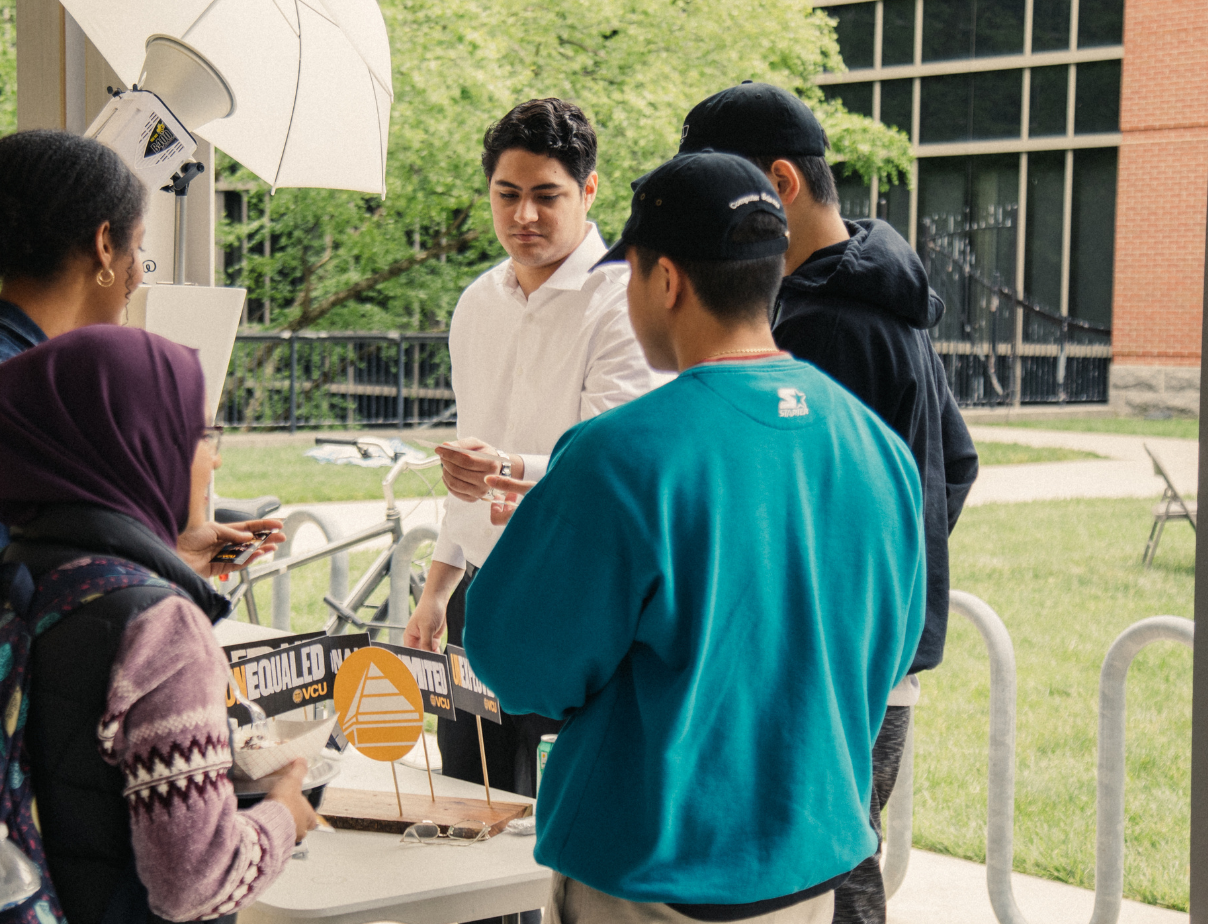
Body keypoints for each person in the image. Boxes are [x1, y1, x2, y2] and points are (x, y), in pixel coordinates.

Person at [465, 152, 925, 924]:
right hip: (809, 871)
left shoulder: (619, 454)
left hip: (649, 876)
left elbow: (518, 665)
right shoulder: (877, 447)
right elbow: (889, 646)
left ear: (666, 280)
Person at [677, 81, 980, 924]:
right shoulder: (888, 300)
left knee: (818, 881)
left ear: (779, 185)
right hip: (875, 663)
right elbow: (952, 464)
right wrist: (894, 588)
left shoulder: (821, 327)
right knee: (839, 866)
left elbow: (778, 512)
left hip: (826, 668)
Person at [0, 324, 313, 922]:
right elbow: (193, 882)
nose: (215, 455)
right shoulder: (163, 630)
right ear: (139, 444)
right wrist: (285, 811)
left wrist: (171, 561)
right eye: (199, 433)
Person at [0, 130, 282, 685]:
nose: (140, 272)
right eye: (138, 247)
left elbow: (34, 571)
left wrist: (166, 556)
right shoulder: (0, 386)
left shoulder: (22, 375)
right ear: (104, 244)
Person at [401, 98, 660, 805]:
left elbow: (616, 461)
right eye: (507, 195)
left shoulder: (625, 299)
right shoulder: (477, 301)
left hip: (589, 591)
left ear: (591, 190)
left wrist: (507, 468)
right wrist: (436, 590)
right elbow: (469, 464)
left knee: (590, 800)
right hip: (483, 587)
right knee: (470, 796)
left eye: (547, 196)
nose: (524, 217)